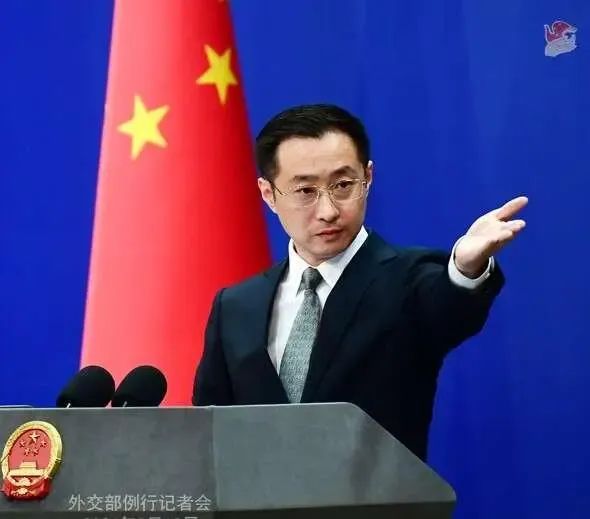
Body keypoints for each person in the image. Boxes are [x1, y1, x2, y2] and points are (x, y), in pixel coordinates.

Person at [193, 104, 527, 460]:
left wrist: (464, 267)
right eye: (305, 191)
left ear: (367, 178)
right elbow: (206, 434)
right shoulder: (236, 306)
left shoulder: (409, 279)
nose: (328, 211)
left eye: (342, 185)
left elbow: (448, 306)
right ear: (268, 194)